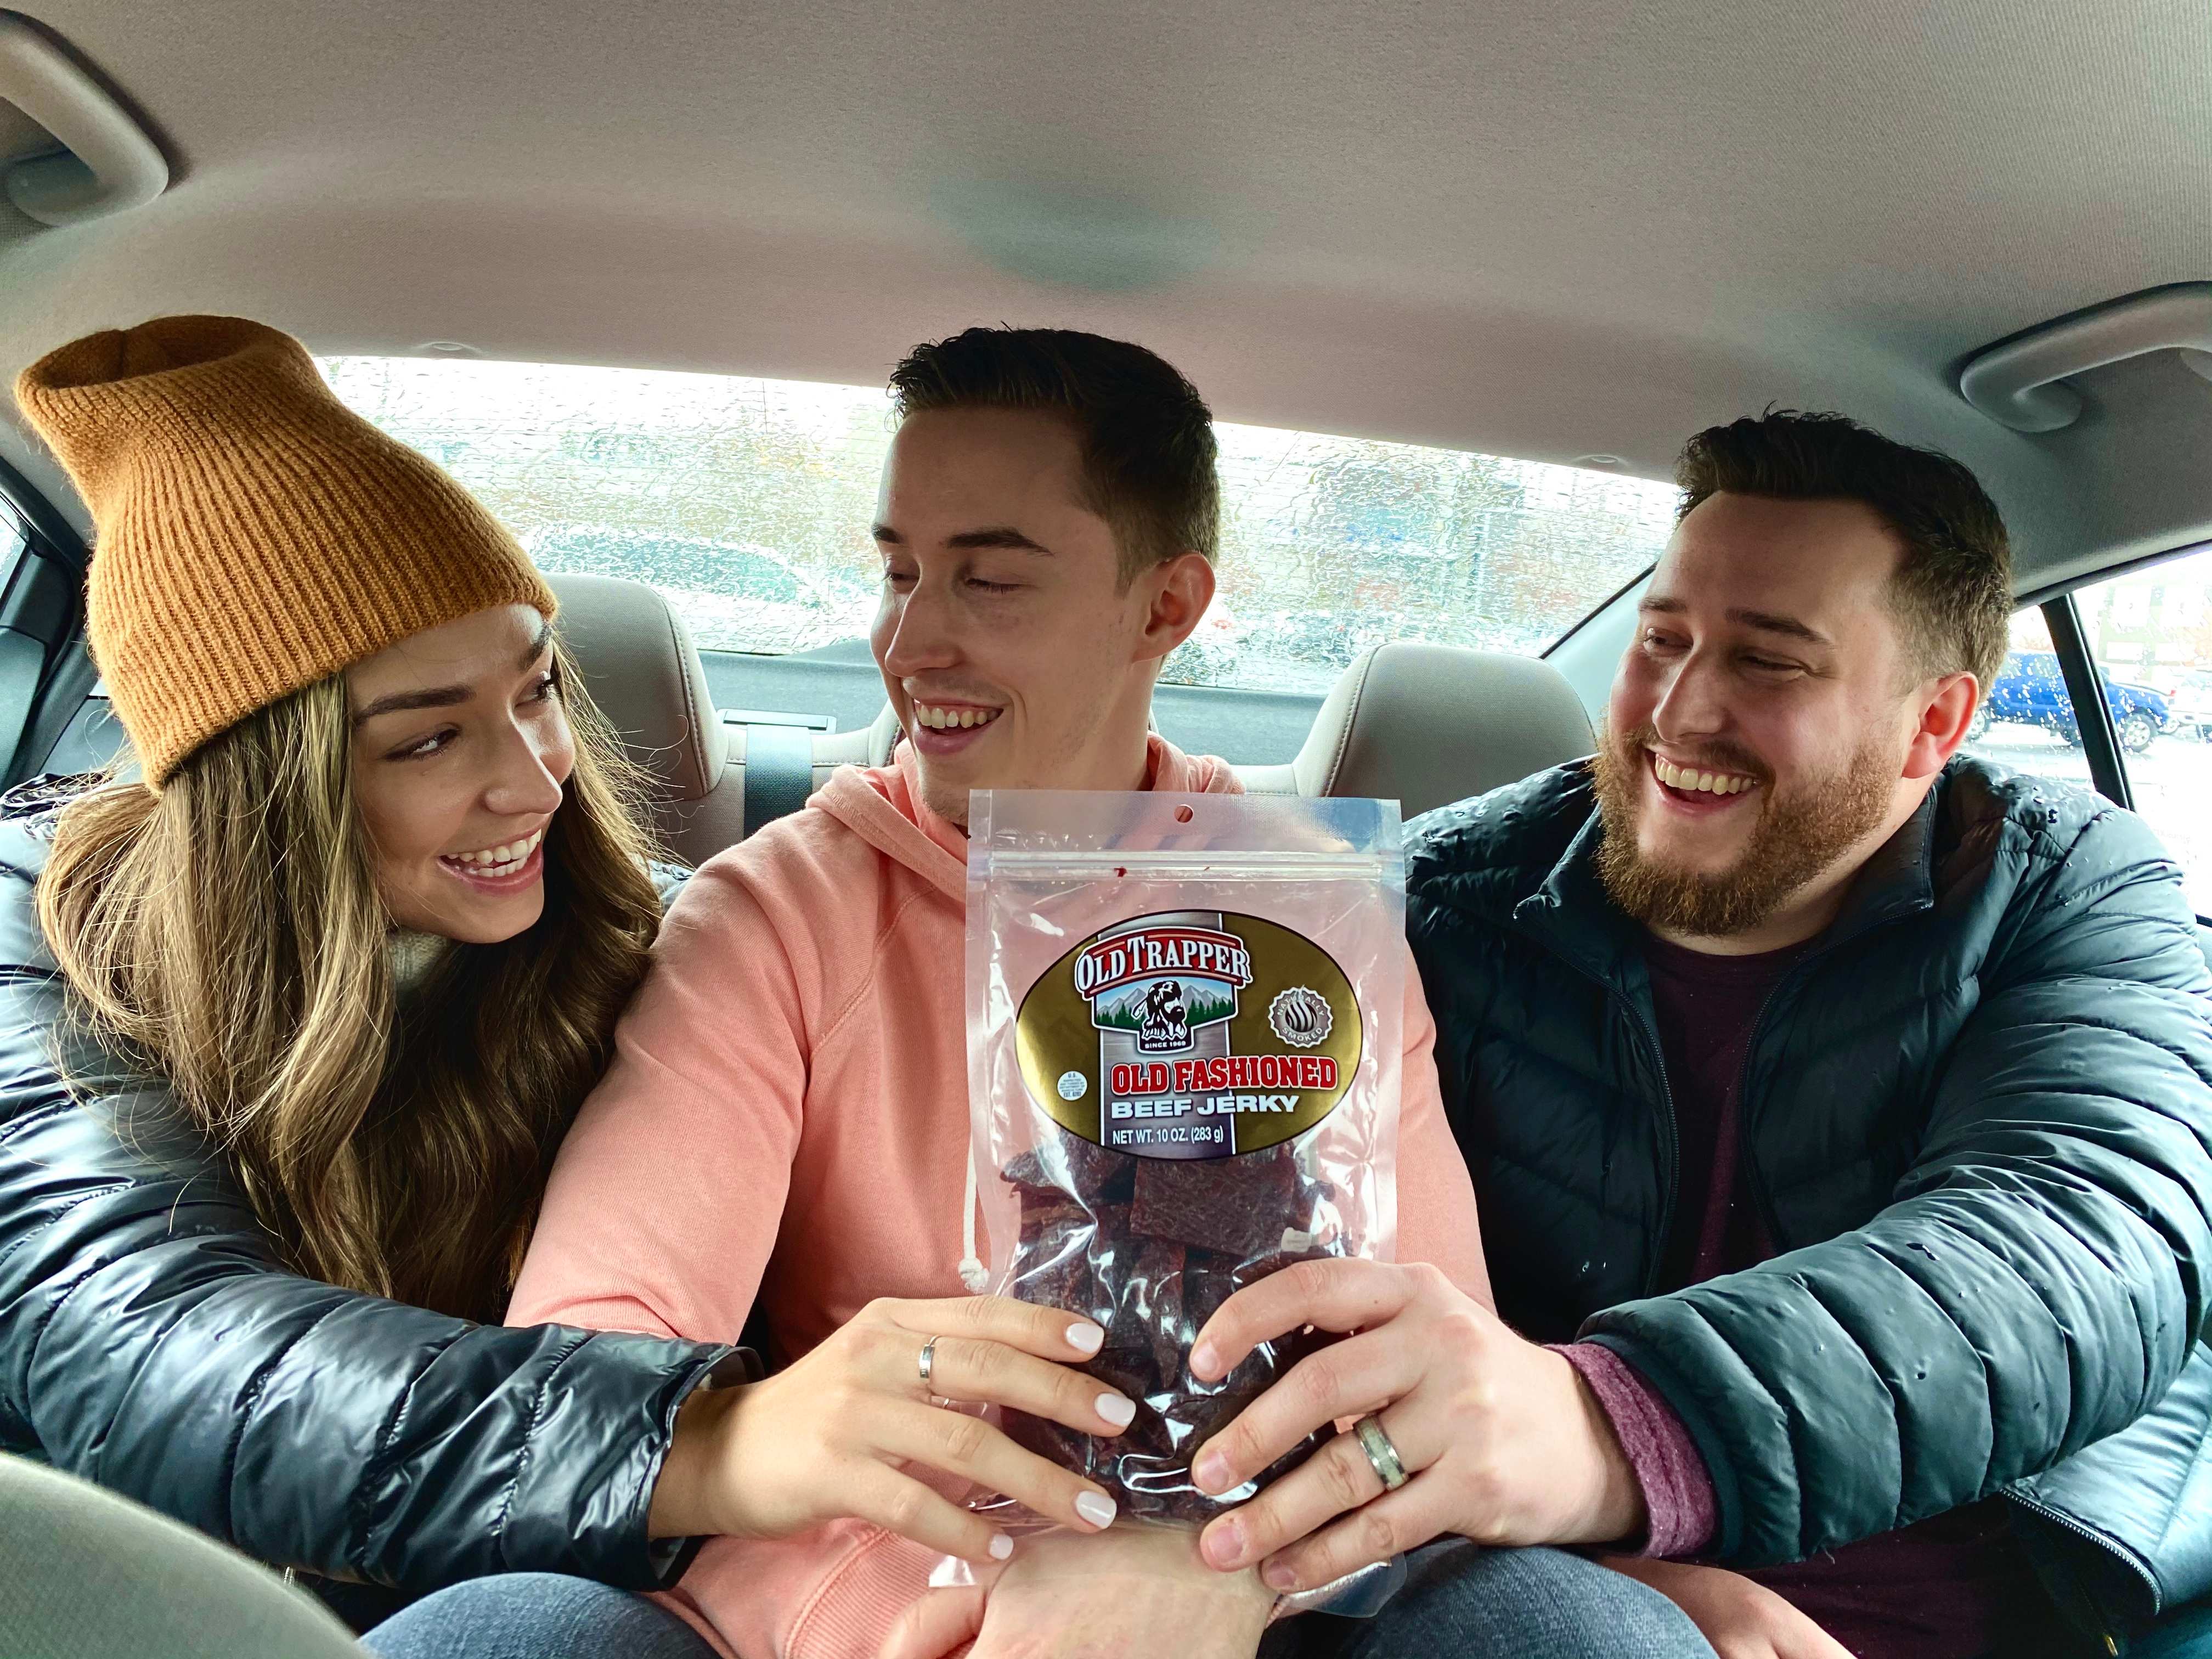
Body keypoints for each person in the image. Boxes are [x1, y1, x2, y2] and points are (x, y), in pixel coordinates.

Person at [509, 328, 1716, 1659]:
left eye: (990, 580)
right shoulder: (779, 909)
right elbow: (588, 1370)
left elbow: (1430, 1359)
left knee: (1579, 1630)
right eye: (898, 570)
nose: (907, 642)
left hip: (1273, 1575)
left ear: (1165, 607)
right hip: (878, 1590)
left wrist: (1229, 1574)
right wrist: (962, 1600)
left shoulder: (1306, 907)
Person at [0, 315, 1101, 1659]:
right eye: (429, 739)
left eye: (537, 691)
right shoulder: (41, 950)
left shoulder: (633, 942)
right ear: (260, 794)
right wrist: (704, 1443)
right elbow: (140, 1339)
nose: (535, 777)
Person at [1178, 411, 2212, 1659]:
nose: (1678, 710)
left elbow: (2081, 1237)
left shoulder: (2062, 889)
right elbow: (1245, 1298)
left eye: (1770, 661)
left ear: (1936, 725)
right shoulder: (1434, 907)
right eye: (1662, 638)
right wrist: (1599, 1556)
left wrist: (1621, 1428)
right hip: (1546, 1596)